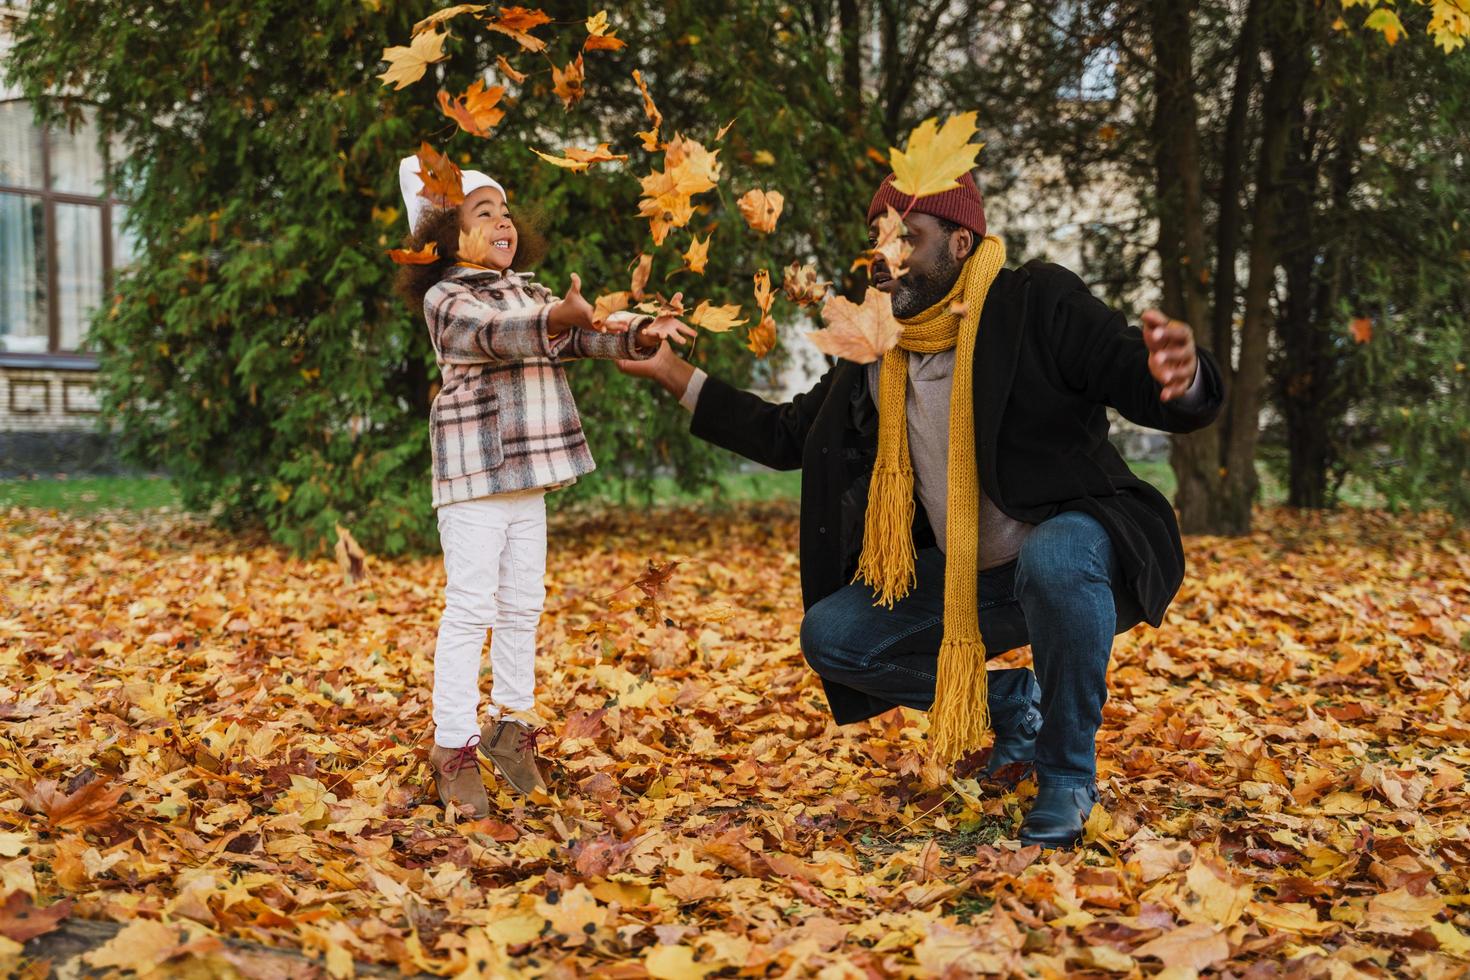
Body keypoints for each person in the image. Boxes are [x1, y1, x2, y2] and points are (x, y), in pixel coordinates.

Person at [617, 171, 1223, 845]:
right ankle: (1014, 704)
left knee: (1054, 555)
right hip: (969, 575)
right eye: (879, 235)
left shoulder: (1033, 301)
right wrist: (673, 371)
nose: (886, 253)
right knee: (834, 636)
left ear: (961, 243)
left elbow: (1124, 367)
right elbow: (789, 434)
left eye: (909, 236)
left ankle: (1067, 775)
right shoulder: (878, 347)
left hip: (1073, 555)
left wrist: (1180, 375)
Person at [394, 155, 694, 818]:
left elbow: (577, 341)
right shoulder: (450, 297)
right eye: (482, 213)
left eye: (504, 211)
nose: (501, 221)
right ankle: (453, 747)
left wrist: (638, 332)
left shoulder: (529, 291)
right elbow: (497, 337)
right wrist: (558, 316)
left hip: (527, 476)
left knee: (524, 605)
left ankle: (510, 730)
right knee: (471, 608)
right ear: (445, 235)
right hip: (476, 477)